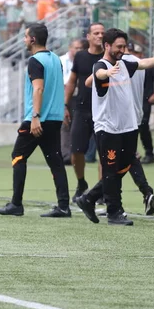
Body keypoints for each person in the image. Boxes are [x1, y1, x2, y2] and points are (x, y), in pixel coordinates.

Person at [77, 29, 154, 225]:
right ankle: (114, 212)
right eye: (119, 47)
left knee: (123, 167)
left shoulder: (125, 61)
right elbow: (98, 73)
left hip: (128, 127)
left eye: (124, 46)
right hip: (108, 129)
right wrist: (106, 73)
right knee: (110, 171)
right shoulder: (101, 65)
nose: (122, 50)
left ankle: (88, 198)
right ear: (107, 46)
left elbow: (142, 63)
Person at [0, 24, 71, 218]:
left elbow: (38, 89)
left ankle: (16, 204)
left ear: (33, 39)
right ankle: (63, 206)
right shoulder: (55, 59)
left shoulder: (35, 61)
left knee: (18, 156)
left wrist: (35, 116)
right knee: (56, 162)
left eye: (25, 37)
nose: (24, 40)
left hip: (38, 119)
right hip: (54, 118)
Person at [78, 45, 154, 217]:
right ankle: (141, 194)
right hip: (133, 118)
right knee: (125, 162)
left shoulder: (120, 64)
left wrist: (103, 74)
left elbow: (87, 82)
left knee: (116, 166)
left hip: (118, 121)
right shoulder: (137, 63)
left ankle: (99, 200)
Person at [64, 23, 105, 201]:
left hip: (103, 111)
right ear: (88, 36)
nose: (100, 36)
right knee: (76, 151)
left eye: (102, 33)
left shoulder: (108, 57)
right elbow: (72, 81)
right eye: (96, 33)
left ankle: (101, 190)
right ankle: (81, 183)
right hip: (81, 109)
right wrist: (65, 105)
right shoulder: (80, 56)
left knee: (104, 153)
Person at [128, 42, 154, 164]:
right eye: (131, 51)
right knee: (130, 127)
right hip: (131, 101)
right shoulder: (127, 65)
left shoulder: (147, 65)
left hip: (145, 100)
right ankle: (132, 152)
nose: (133, 54)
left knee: (142, 126)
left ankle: (149, 153)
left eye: (136, 52)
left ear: (141, 53)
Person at [59, 39, 83, 164]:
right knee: (65, 125)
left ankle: (75, 153)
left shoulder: (81, 61)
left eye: (80, 48)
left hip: (78, 95)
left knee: (76, 125)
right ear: (70, 48)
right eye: (76, 48)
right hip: (63, 95)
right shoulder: (61, 61)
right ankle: (65, 155)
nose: (78, 50)